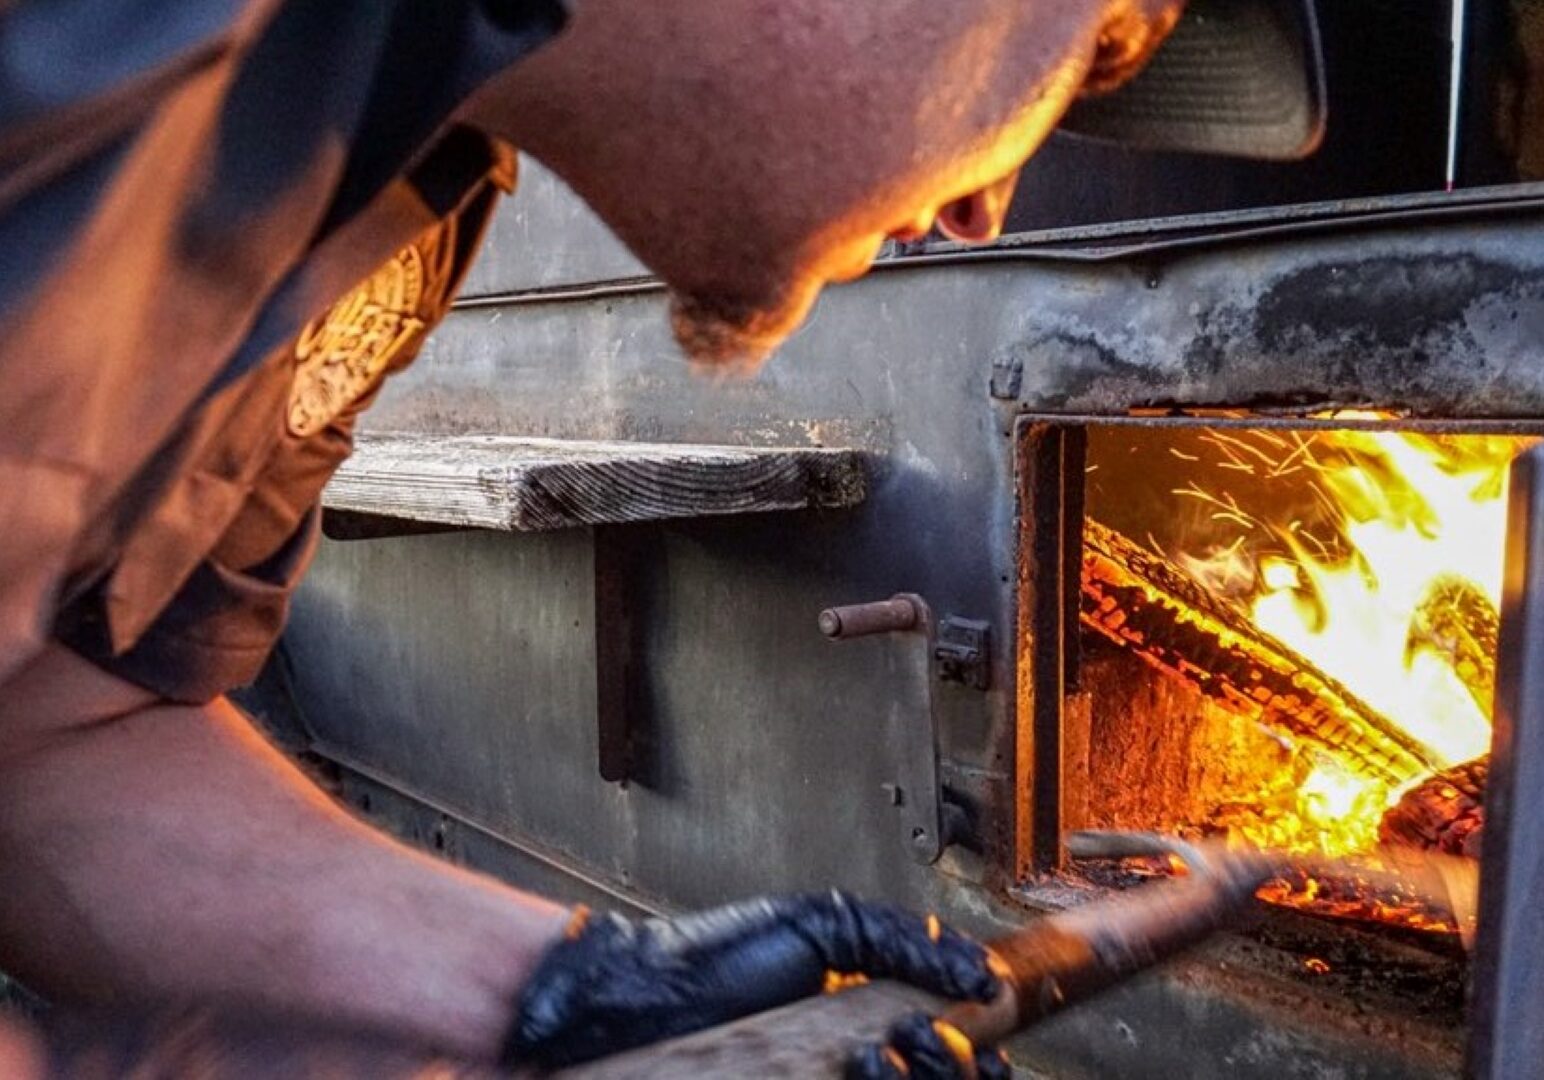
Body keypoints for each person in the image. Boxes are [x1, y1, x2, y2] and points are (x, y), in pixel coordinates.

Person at [0, 0, 1304, 1074]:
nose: (986, 212)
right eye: (1094, 49)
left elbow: (53, 737)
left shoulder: (411, 186)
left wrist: (567, 988)